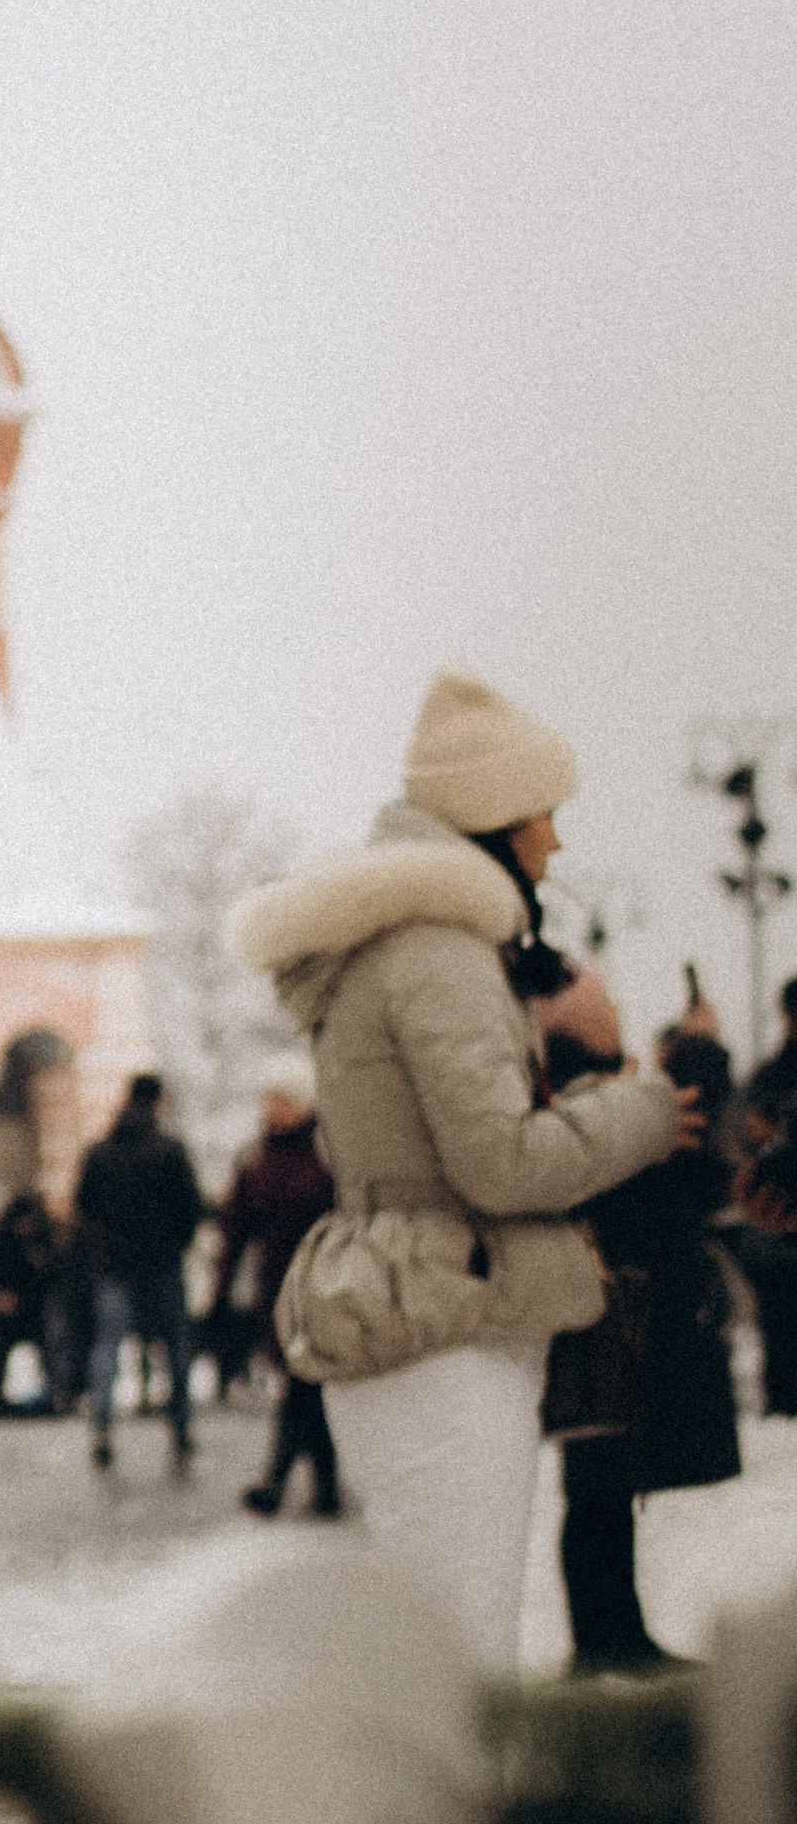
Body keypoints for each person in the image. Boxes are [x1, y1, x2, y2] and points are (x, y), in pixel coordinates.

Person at [233, 670, 683, 1673]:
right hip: (446, 1325)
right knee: (460, 1656)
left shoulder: (411, 944)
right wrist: (642, 1104)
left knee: (443, 1641)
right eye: (542, 814)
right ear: (492, 819)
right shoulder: (438, 949)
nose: (555, 842)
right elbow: (500, 1165)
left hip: (428, 1300)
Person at [547, 998, 739, 1675]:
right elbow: (708, 1160)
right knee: (598, 1477)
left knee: (600, 1478)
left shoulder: (586, 1102)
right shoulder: (599, 1104)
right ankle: (606, 1640)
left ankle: (613, 1633)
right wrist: (695, 1053)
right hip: (609, 1306)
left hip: (605, 1304)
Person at [216, 1063, 342, 1518]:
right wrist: (221, 1290)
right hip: (276, 1289)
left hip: (323, 1286)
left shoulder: (328, 1153)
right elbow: (236, 1228)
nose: (273, 1108)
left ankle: (280, 1484)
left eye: (283, 1099)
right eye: (269, 1099)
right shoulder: (255, 1158)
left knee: (303, 1383)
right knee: (302, 1385)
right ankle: (319, 1487)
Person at [76, 1075, 204, 1473]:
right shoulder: (170, 1151)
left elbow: (84, 1206)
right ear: (158, 1103)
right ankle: (180, 1430)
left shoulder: (100, 1152)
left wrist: (105, 1246)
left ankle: (101, 1428)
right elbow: (191, 1207)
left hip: (114, 1266)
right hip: (162, 1265)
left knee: (108, 1350)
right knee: (175, 1352)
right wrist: (174, 1245)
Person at [728, 977, 797, 1417]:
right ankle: (782, 1402)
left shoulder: (771, 1075)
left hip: (776, 1229)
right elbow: (741, 1137)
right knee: (781, 1325)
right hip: (777, 1232)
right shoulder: (771, 1075)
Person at [0, 1188, 64, 1415]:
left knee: (56, 1335)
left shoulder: (44, 1243)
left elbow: (57, 1279)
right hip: (5, 1315)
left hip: (36, 1312)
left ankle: (55, 1392)